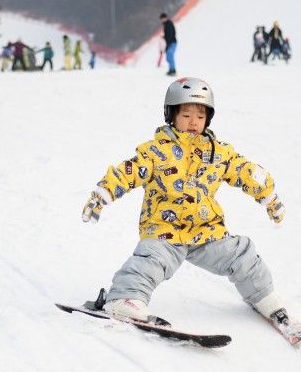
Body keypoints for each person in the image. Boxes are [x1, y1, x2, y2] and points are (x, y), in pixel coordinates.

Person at [80, 77, 289, 327]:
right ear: (171, 115)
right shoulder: (157, 151)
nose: (193, 122)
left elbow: (245, 171)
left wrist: (269, 197)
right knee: (151, 261)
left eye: (200, 117)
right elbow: (129, 171)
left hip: (206, 231)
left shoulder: (218, 153)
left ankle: (263, 296)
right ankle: (125, 299)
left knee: (241, 254)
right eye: (186, 114)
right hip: (164, 231)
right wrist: (102, 195)